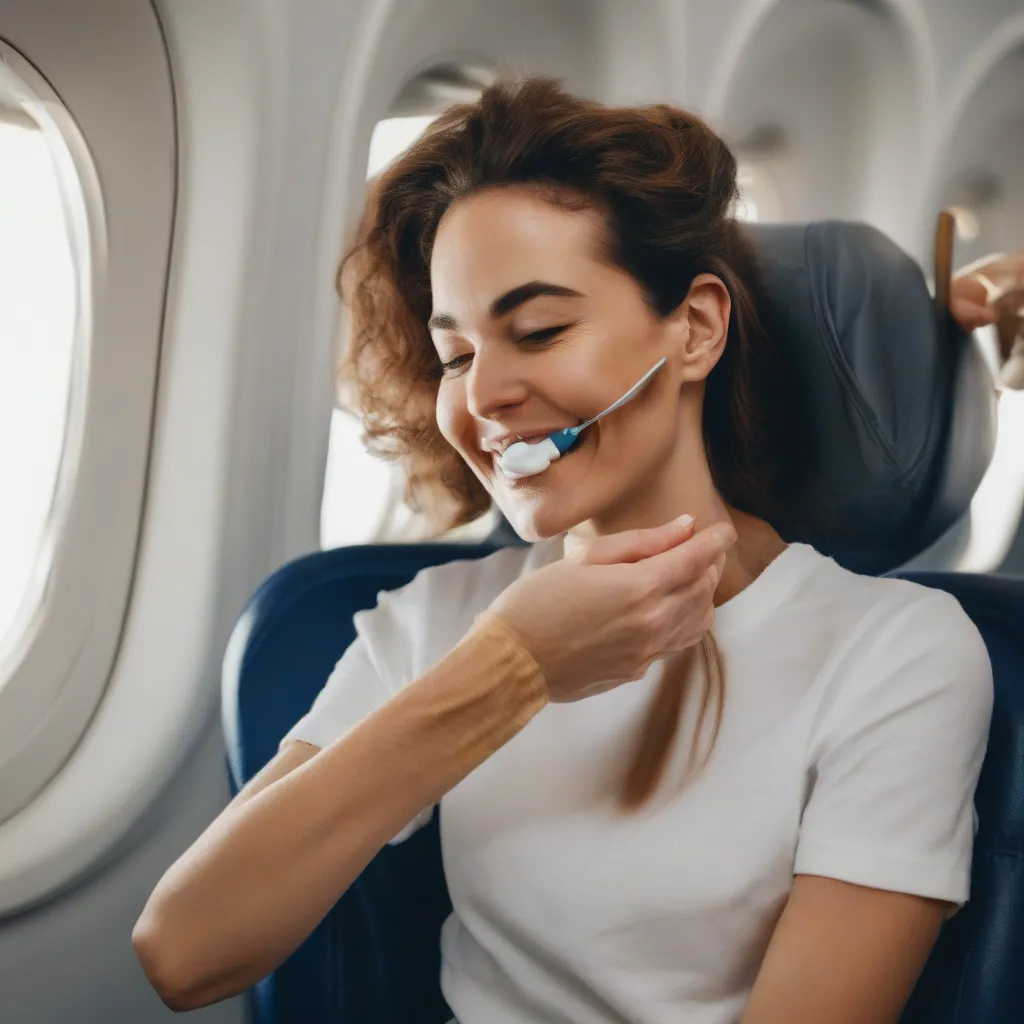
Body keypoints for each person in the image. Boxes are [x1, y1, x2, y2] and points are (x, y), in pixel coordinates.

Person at [133, 76, 1003, 1023]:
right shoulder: (442, 622)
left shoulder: (896, 651)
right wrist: (510, 672)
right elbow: (182, 951)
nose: (484, 395)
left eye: (539, 330)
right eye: (457, 355)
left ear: (697, 329)